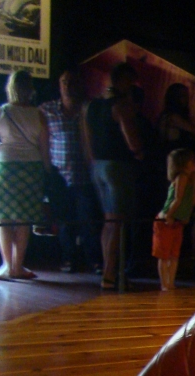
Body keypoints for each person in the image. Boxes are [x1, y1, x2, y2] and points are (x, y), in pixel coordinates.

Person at [82, 62, 144, 290]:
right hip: (118, 167)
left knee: (109, 223)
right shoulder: (121, 106)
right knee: (117, 223)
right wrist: (140, 154)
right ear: (123, 81)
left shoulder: (91, 106)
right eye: (131, 82)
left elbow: (86, 140)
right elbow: (133, 141)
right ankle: (110, 275)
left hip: (97, 166)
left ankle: (107, 272)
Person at [0, 69, 50, 281]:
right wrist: (47, 171)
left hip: (4, 168)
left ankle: (6, 265)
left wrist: (2, 164)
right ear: (30, 89)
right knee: (23, 220)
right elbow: (44, 149)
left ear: (9, 88)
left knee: (2, 218)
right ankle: (18, 265)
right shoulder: (39, 115)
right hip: (31, 168)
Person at [38, 68, 101, 273]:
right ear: (59, 85)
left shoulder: (88, 108)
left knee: (88, 220)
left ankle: (94, 260)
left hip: (85, 174)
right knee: (64, 222)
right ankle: (68, 259)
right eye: (64, 81)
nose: (67, 86)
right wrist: (47, 169)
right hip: (59, 176)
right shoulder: (47, 110)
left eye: (71, 81)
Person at [152, 148, 195, 291]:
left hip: (177, 221)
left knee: (174, 254)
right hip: (166, 220)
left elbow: (193, 199)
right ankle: (164, 284)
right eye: (191, 160)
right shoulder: (181, 177)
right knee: (164, 254)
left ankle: (170, 283)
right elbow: (177, 199)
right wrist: (169, 215)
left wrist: (186, 216)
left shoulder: (192, 178)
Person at [157, 83, 195, 154]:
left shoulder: (169, 115)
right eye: (183, 96)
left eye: (187, 96)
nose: (187, 99)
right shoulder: (173, 117)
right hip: (173, 155)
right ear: (175, 98)